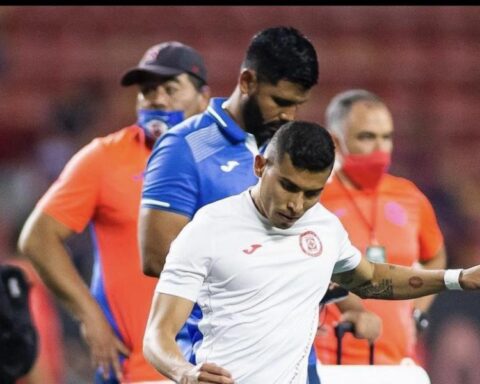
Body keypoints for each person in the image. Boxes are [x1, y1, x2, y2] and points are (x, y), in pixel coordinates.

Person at [142, 120, 479, 384]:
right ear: (260, 166)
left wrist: (458, 278)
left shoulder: (324, 227)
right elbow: (157, 335)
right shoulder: (210, 227)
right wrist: (183, 373)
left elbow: (373, 279)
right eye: (288, 186)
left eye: (311, 192)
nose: (296, 204)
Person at [17, 41, 210, 383]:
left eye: (170, 88)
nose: (158, 99)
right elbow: (38, 238)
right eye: (147, 90)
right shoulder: (104, 158)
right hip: (136, 369)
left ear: (203, 98)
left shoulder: (231, 159)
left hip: (217, 365)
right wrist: (89, 316)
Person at [139, 25, 319, 363]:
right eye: (280, 102)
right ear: (248, 82)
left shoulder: (288, 148)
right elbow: (155, 256)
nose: (288, 116)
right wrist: (271, 282)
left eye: (297, 105)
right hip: (221, 357)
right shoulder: (186, 146)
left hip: (295, 356)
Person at [314, 89, 447, 365]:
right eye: (366, 137)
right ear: (336, 142)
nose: (380, 148)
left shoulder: (410, 196)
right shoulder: (316, 199)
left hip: (399, 361)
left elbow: (435, 255)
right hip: (329, 360)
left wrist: (417, 310)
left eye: (386, 137)